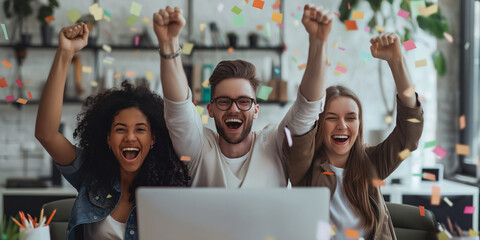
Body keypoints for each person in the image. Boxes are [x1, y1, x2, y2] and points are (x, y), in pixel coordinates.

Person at [35, 23, 189, 240]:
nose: (130, 137)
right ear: (107, 138)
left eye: (140, 129)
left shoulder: (168, 190)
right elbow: (46, 134)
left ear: (153, 138)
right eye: (120, 129)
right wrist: (65, 53)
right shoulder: (91, 175)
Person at [152, 4, 332, 188]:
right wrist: (169, 44)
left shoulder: (273, 144)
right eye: (224, 101)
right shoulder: (199, 148)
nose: (233, 109)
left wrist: (318, 43)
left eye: (244, 101)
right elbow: (179, 110)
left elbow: (307, 109)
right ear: (211, 109)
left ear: (256, 110)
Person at [283, 32, 424, 239]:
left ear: (359, 123)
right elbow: (303, 120)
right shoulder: (304, 167)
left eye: (350, 118)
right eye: (331, 118)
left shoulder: (371, 162)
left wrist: (396, 61)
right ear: (319, 123)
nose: (342, 126)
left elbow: (409, 135)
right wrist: (318, 43)